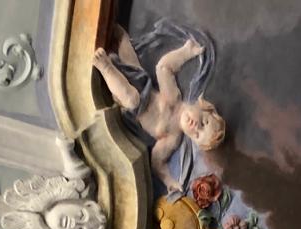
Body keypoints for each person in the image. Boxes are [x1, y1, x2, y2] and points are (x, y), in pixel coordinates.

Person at [92, 26, 225, 193]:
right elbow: (163, 68)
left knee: (132, 99)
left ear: (193, 140)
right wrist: (186, 52)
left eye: (197, 135)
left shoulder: (173, 137)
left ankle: (105, 67)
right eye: (204, 123)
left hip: (130, 104)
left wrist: (168, 180)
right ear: (204, 108)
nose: (196, 127)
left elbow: (156, 160)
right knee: (129, 54)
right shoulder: (174, 98)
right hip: (140, 81)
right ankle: (115, 30)